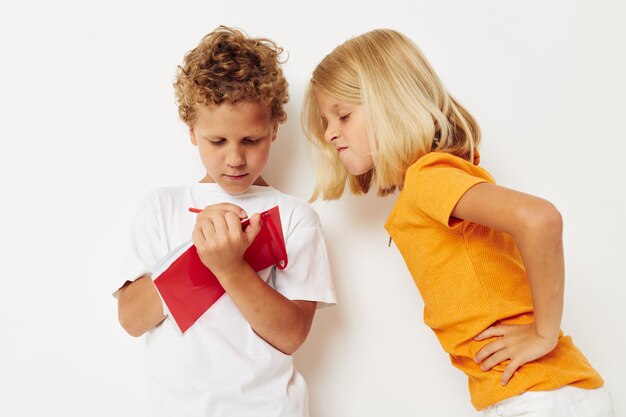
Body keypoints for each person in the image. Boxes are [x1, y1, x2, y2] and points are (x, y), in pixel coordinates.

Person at [301, 28, 613, 416]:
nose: (330, 133)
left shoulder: (429, 178)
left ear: (390, 104)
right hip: (531, 395)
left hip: (536, 397)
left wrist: (543, 334)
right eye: (325, 121)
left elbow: (540, 218)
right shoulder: (431, 181)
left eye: (343, 115)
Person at [113, 26, 336, 417]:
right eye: (217, 142)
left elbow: (291, 336)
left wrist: (231, 267)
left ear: (274, 130)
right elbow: (132, 320)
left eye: (251, 141)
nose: (235, 159)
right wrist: (199, 256)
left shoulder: (296, 217)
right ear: (192, 132)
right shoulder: (162, 207)